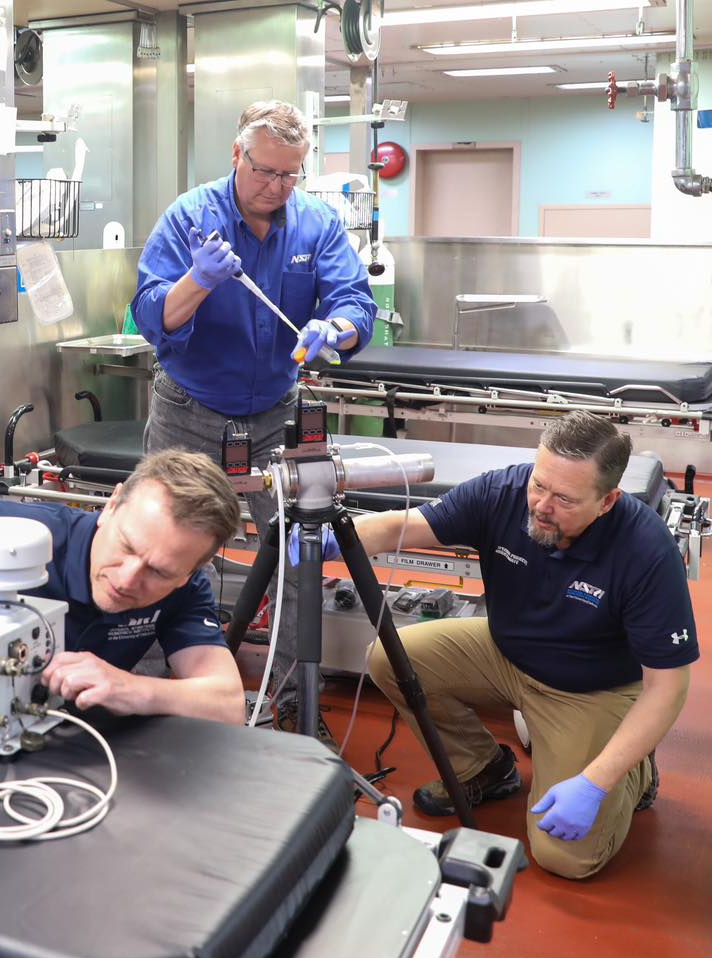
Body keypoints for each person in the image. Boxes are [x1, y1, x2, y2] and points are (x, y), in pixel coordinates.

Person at [343, 412, 697, 879]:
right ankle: (483, 769)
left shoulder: (646, 551)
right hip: (504, 655)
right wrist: (331, 537)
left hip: (590, 689)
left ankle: (635, 774)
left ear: (607, 500)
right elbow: (398, 526)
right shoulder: (504, 492)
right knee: (390, 657)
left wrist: (596, 783)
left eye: (565, 498)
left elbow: (667, 688)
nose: (542, 506)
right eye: (539, 485)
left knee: (567, 859)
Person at [132, 99, 376, 738]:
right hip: (189, 411)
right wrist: (198, 281)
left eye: (290, 175)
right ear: (237, 156)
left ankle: (300, 701)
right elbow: (153, 315)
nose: (276, 187)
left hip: (277, 416)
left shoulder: (316, 224)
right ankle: (165, 696)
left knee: (299, 553)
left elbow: (355, 302)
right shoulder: (192, 217)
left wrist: (339, 330)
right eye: (265, 171)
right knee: (174, 551)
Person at [0, 451, 246, 723]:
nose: (128, 579)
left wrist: (128, 689)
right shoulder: (25, 536)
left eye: (159, 572)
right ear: (110, 506)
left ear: (190, 571)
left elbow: (228, 702)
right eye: (127, 546)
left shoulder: (187, 587)